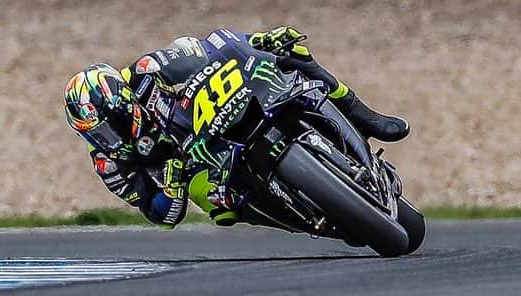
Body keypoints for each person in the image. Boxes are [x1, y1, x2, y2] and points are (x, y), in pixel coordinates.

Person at [63, 26, 409, 229]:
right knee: (220, 210)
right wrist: (169, 184)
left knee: (295, 59)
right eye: (96, 135)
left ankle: (364, 116)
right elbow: (162, 216)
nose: (108, 138)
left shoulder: (145, 71)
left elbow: (209, 49)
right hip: (196, 164)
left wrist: (257, 41)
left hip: (218, 111)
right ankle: (289, 214)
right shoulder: (108, 163)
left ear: (123, 101)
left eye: (111, 126)